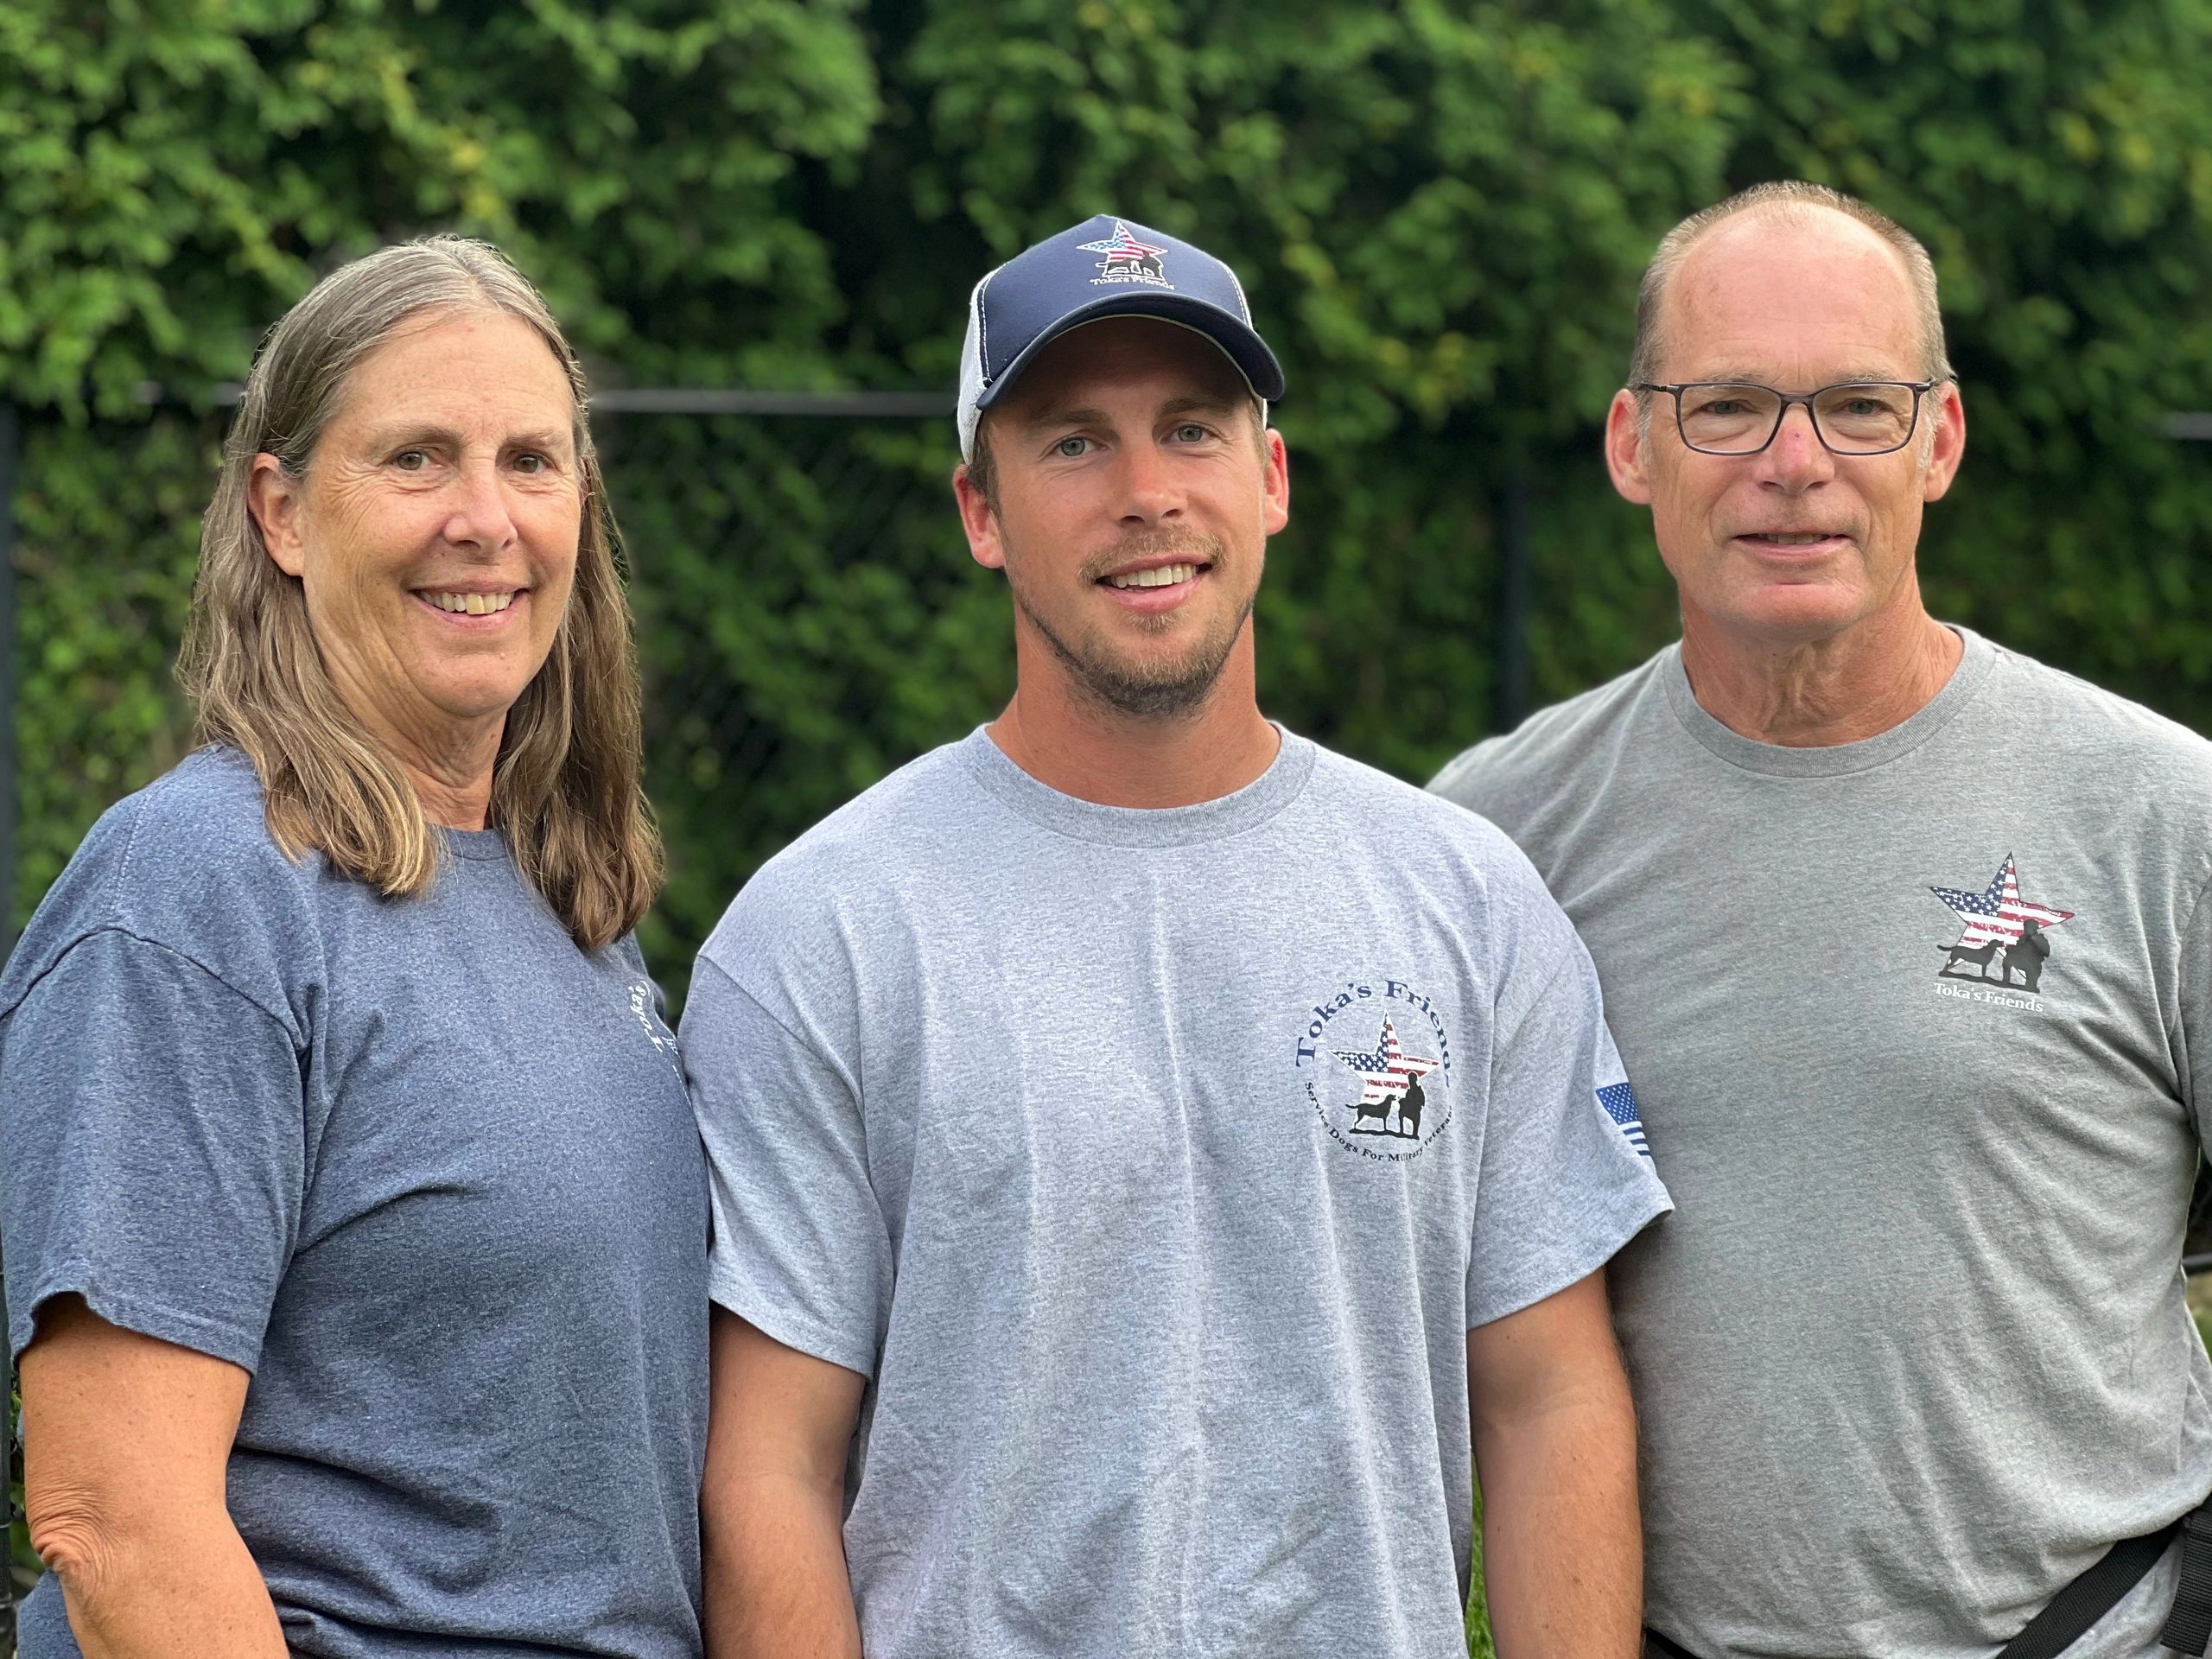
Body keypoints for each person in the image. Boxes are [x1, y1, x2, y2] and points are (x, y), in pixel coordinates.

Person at [683, 213, 1672, 1659]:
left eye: (1192, 430)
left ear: (1271, 479)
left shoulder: (1468, 903)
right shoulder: (822, 937)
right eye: (1073, 443)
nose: (1146, 494)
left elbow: (1550, 1401)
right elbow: (769, 1468)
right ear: (980, 513)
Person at [1430, 181, 2212, 1659]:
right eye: (1727, 407)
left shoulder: (2164, 817)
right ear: (1633, 444)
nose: (1795, 466)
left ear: (1941, 439)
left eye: (1859, 406)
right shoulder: (1496, 839)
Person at [1, 237, 708, 1657]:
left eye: (531, 461)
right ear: (283, 512)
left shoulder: (566, 908)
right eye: (416, 459)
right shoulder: (200, 890)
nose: (484, 520)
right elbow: (117, 1515)